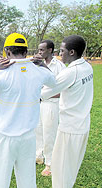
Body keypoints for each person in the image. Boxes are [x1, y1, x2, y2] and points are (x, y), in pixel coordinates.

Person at [0, 33, 56, 188]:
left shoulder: (1, 74)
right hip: (28, 138)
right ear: (25, 51)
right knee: (27, 182)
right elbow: (54, 81)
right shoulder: (38, 71)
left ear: (7, 51)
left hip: (5, 138)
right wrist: (42, 64)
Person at [41, 35, 93, 188]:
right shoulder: (87, 67)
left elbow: (44, 92)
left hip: (69, 129)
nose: (59, 53)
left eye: (62, 50)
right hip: (82, 126)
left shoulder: (71, 72)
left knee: (60, 172)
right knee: (70, 171)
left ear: (71, 52)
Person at [35, 40, 66, 176]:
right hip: (38, 103)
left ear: (50, 50)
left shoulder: (59, 66)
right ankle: (38, 156)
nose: (39, 52)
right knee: (38, 130)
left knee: (49, 133)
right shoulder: (37, 65)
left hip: (51, 104)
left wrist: (46, 95)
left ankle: (50, 164)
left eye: (42, 50)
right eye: (39, 50)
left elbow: (63, 88)